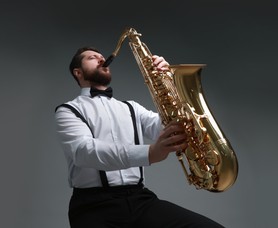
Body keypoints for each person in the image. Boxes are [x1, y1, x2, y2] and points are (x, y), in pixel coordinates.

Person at [54, 46, 224, 228]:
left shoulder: (132, 108)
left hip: (139, 199)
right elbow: (85, 152)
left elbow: (174, 126)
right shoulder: (68, 111)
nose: (102, 59)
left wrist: (169, 81)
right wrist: (149, 153)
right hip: (93, 207)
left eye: (102, 56)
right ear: (78, 72)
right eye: (92, 58)